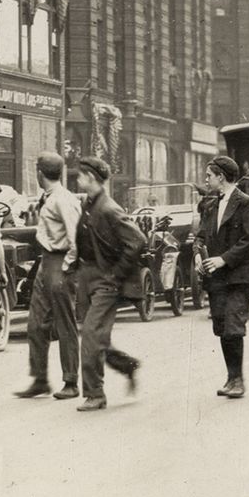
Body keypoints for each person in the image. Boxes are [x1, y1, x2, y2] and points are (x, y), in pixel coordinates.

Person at [72, 156, 146, 412]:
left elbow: (137, 240)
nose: (77, 179)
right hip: (89, 276)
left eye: (80, 175)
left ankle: (95, 394)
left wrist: (116, 274)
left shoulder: (108, 208)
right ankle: (127, 365)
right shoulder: (90, 204)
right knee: (97, 336)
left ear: (91, 178)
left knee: (91, 335)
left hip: (105, 280)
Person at [15, 152, 82, 400]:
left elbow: (76, 239)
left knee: (65, 324)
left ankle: (71, 381)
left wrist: (66, 266)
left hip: (60, 262)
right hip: (47, 262)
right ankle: (40, 379)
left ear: (39, 173)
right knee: (36, 323)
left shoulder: (63, 200)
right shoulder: (49, 197)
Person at [196, 155, 249, 399]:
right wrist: (197, 256)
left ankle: (238, 380)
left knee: (234, 326)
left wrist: (223, 259)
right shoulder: (210, 204)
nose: (206, 179)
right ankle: (230, 377)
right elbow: (200, 236)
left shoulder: (246, 203)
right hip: (216, 279)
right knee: (222, 326)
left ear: (221, 177)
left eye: (209, 175)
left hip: (238, 276)